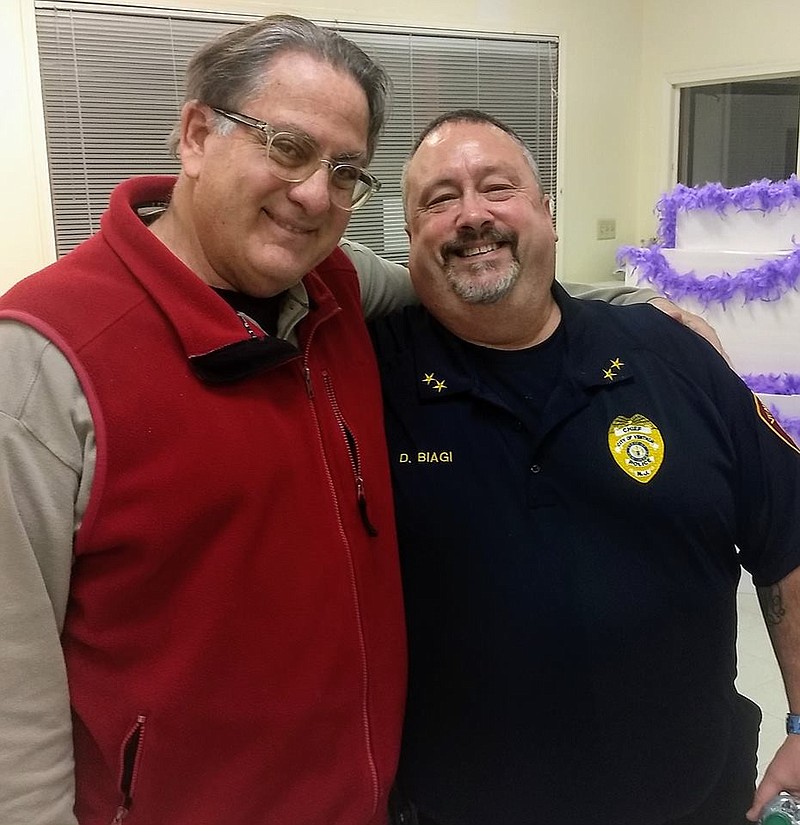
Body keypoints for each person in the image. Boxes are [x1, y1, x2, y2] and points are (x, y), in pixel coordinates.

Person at [0, 16, 721, 825]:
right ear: (197, 134)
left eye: (345, 171)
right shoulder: (42, 361)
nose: (314, 194)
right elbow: (10, 708)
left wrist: (641, 310)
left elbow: (481, 279)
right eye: (286, 146)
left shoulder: (335, 288)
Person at [369, 109, 800, 825]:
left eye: (497, 187)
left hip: (692, 797)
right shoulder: (367, 379)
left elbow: (788, 534)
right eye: (439, 200)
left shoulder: (674, 356)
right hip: (458, 806)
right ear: (410, 242)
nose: (472, 214)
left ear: (546, 213)